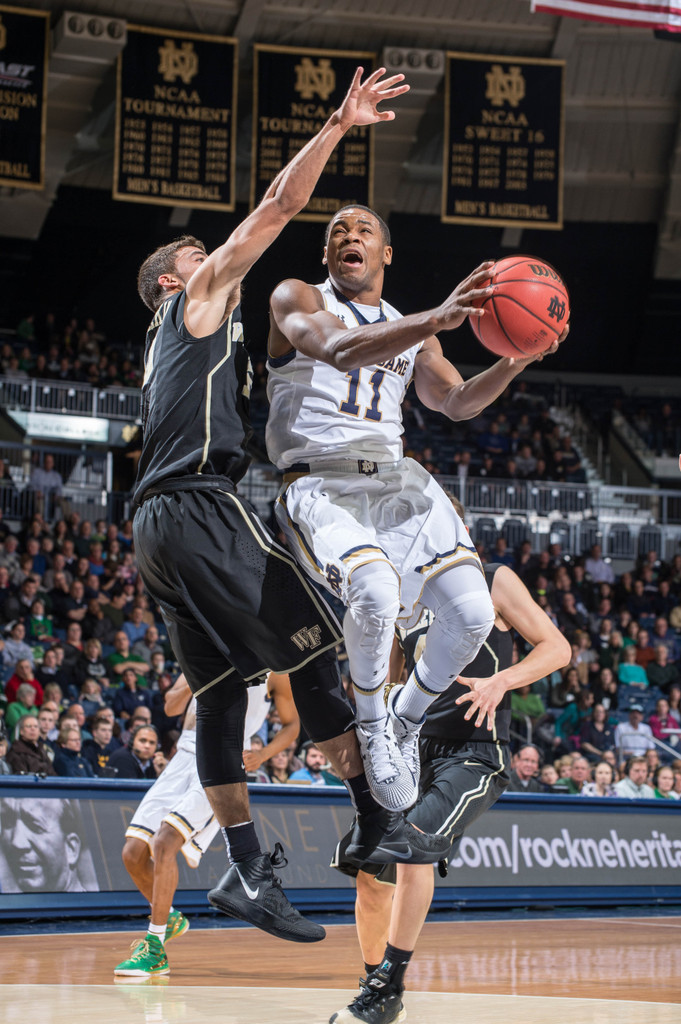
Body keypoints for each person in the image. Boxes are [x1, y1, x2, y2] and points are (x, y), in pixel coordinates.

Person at [130, 67, 449, 946]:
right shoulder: (194, 304)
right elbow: (275, 205)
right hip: (200, 506)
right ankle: (377, 818)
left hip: (151, 531)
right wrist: (341, 125)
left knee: (223, 695)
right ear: (171, 284)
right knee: (322, 634)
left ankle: (240, 867)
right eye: (200, 257)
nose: (217, 260)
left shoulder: (161, 354)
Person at [266, 204, 568, 812]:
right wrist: (442, 313)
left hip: (398, 480)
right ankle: (375, 724)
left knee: (474, 614)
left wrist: (515, 358)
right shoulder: (297, 296)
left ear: (386, 254)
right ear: (327, 255)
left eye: (363, 231)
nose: (349, 237)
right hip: (322, 481)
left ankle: (405, 718)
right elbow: (339, 350)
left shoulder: (416, 331)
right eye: (337, 233)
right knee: (374, 592)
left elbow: (455, 402)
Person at [328, 545, 570, 1024]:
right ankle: (375, 984)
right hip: (413, 748)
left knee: (411, 844)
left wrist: (501, 682)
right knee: (369, 872)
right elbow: (393, 675)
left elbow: (558, 649)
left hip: (474, 754)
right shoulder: (401, 591)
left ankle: (388, 988)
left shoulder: (493, 577)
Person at [115, 670, 299, 976]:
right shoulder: (199, 650)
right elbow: (171, 707)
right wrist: (195, 669)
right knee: (132, 853)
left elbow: (292, 725)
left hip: (222, 759)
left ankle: (155, 947)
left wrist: (263, 754)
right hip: (183, 755)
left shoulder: (273, 668)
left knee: (164, 842)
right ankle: (170, 919)